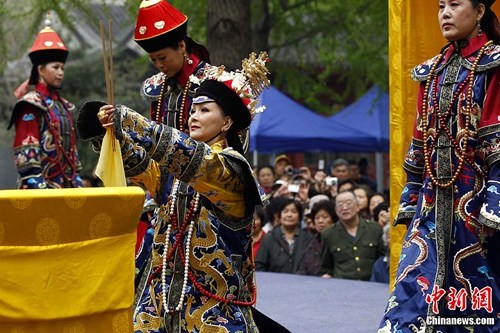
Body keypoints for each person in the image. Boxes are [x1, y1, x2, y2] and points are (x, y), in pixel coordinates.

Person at [78, 52, 272, 333]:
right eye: (193, 110)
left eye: (205, 110)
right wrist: (107, 131)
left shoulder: (231, 170)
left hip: (214, 312)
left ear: (227, 122)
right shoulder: (174, 170)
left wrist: (132, 123)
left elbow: (192, 159)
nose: (194, 116)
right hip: (160, 304)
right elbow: (141, 165)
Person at [378, 1, 500, 332]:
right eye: (440, 6)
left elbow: (495, 136)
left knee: (478, 292)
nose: (444, 13)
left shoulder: (493, 63)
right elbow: (420, 140)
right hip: (431, 204)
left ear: (478, 12)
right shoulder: (430, 71)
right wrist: (413, 191)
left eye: (454, 4)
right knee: (413, 285)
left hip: (476, 205)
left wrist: (494, 196)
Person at [133, 0, 214, 287]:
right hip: (164, 190)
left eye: (162, 57)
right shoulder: (159, 87)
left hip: (203, 191)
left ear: (182, 46)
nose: (158, 65)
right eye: (153, 60)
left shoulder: (214, 82)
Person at [8, 17, 83, 189]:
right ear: (40, 70)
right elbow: (26, 154)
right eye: (55, 67)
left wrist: (76, 180)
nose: (60, 73)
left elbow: (71, 149)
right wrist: (39, 186)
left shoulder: (64, 106)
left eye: (62, 68)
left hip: (68, 185)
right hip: (40, 188)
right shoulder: (30, 105)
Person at [319, 190, 385, 281]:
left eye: (348, 203)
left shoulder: (374, 229)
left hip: (371, 283)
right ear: (336, 210)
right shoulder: (329, 234)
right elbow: (325, 267)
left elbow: (383, 259)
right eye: (340, 204)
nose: (344, 207)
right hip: (343, 285)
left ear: (358, 206)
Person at [255, 198, 314, 274]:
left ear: (299, 216)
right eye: (285, 211)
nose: (289, 215)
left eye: (294, 211)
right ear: (279, 216)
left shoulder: (308, 238)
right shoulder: (269, 238)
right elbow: (259, 266)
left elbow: (312, 265)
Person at [298, 198, 336, 276]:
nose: (320, 221)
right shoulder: (310, 241)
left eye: (325, 217)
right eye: (317, 218)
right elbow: (303, 268)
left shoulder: (338, 240)